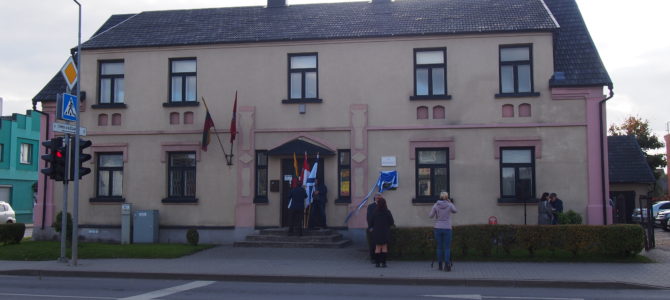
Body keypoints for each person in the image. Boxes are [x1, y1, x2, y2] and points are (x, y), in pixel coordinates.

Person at [428, 191, 458, 271]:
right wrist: (450, 203)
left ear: (440, 197)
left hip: (438, 228)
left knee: (439, 247)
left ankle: (440, 265)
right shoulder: (449, 205)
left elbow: (430, 216)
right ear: (447, 197)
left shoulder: (436, 205)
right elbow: (455, 210)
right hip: (447, 228)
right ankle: (447, 265)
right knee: (447, 247)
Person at [370, 197, 394, 268]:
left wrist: (373, 227)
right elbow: (391, 222)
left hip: (377, 232)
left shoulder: (375, 212)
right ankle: (383, 263)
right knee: (384, 247)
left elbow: (371, 222)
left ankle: (377, 263)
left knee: (377, 248)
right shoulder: (387, 212)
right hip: (385, 232)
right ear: (385, 204)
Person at [366, 193, 381, 263]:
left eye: (380, 198)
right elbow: (369, 217)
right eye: (377, 198)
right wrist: (370, 227)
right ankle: (373, 258)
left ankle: (380, 258)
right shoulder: (371, 206)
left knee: (380, 244)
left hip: (381, 228)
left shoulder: (383, 206)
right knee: (373, 244)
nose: (379, 199)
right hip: (373, 228)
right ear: (375, 198)